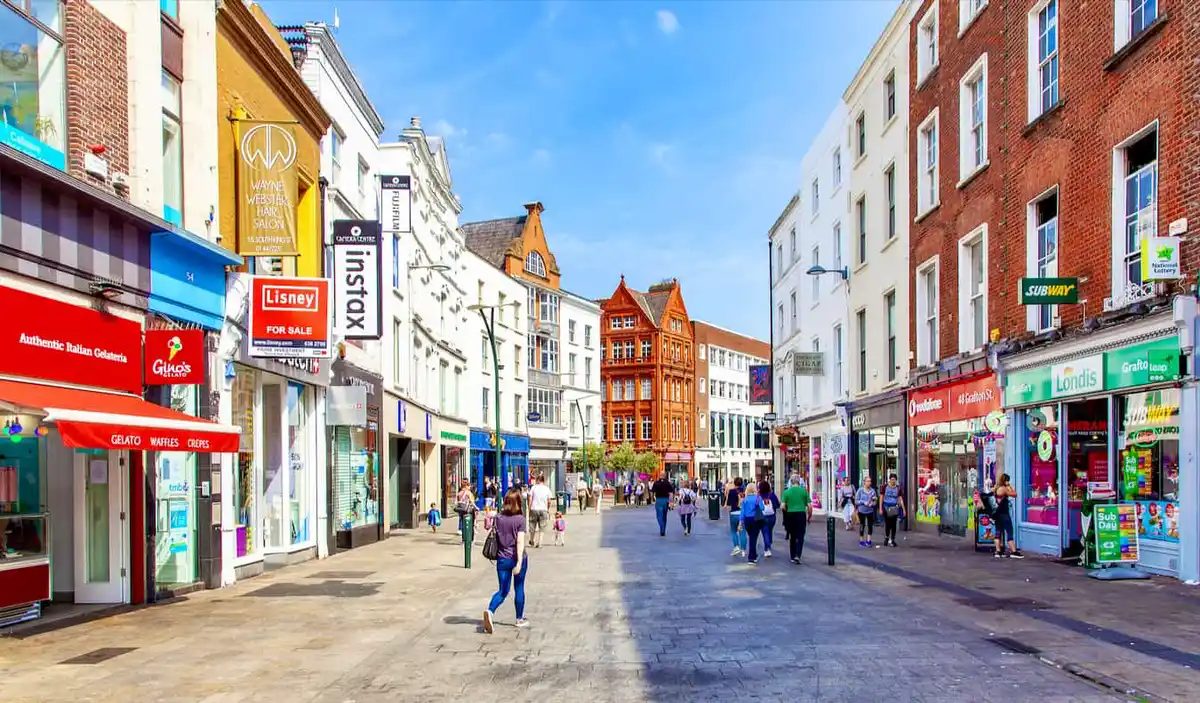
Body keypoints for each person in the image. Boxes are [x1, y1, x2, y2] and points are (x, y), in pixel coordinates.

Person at [483, 490, 529, 633]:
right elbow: (520, 541)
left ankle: (490, 611)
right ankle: (519, 619)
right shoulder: (520, 519)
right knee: (519, 588)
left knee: (503, 590)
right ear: (518, 503)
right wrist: (519, 562)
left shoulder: (498, 518)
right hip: (516, 558)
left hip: (502, 559)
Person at [780, 475, 812, 564]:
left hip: (790, 514)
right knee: (801, 536)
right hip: (801, 514)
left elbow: (782, 506)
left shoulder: (786, 492)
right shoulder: (804, 492)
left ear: (791, 481)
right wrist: (809, 516)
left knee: (792, 536)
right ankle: (798, 555)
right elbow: (809, 506)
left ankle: (792, 555)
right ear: (799, 482)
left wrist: (787, 512)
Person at [993, 473, 1024, 558]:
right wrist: (1009, 486)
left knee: (998, 531)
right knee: (1009, 531)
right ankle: (1014, 551)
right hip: (1004, 513)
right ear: (1005, 480)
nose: (1008, 482)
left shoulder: (996, 488)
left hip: (997, 513)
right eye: (1008, 480)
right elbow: (1014, 494)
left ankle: (998, 551)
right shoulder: (1004, 489)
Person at [740, 483, 766, 564]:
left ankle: (754, 555)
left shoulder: (745, 499)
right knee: (753, 538)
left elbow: (742, 512)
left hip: (747, 520)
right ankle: (751, 557)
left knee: (751, 537)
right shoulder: (758, 498)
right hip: (755, 519)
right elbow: (762, 508)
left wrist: (741, 522)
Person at [527, 474, 554, 548]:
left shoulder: (533, 488)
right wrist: (547, 509)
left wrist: (529, 508)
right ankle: (540, 542)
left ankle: (532, 540)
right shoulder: (547, 489)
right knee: (542, 527)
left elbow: (530, 499)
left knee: (532, 525)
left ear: (538, 480)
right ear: (543, 480)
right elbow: (549, 501)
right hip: (543, 509)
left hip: (534, 509)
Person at [881, 474, 905, 547]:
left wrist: (904, 509)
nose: (893, 481)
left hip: (894, 508)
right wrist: (880, 508)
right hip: (886, 507)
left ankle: (893, 539)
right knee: (887, 523)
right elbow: (881, 497)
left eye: (894, 479)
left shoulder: (898, 488)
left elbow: (900, 499)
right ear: (889, 480)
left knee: (893, 524)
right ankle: (886, 538)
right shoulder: (885, 487)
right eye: (891, 479)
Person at [725, 477, 747, 556]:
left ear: (734, 483)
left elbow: (728, 504)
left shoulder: (731, 491)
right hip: (742, 513)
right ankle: (743, 549)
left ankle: (736, 546)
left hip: (734, 513)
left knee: (733, 531)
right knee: (742, 531)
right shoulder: (745, 492)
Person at [758, 480, 780, 558]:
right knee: (769, 531)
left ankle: (767, 548)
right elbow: (777, 505)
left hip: (763, 517)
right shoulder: (772, 495)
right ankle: (769, 544)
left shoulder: (759, 496)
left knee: (765, 532)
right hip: (772, 517)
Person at [856, 476, 879, 547]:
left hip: (870, 511)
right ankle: (861, 540)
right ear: (864, 482)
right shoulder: (860, 490)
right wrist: (863, 502)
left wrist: (873, 503)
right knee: (862, 525)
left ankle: (869, 540)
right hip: (862, 511)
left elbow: (875, 501)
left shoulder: (872, 491)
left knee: (870, 526)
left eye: (870, 481)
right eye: (868, 481)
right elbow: (856, 501)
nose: (869, 483)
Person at [651, 472, 675, 536]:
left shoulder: (656, 483)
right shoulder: (668, 483)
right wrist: (671, 502)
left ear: (660, 475)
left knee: (659, 516)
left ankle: (661, 528)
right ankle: (663, 530)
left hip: (658, 500)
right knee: (664, 516)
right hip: (666, 500)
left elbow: (652, 492)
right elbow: (671, 493)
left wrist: (652, 498)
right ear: (665, 476)